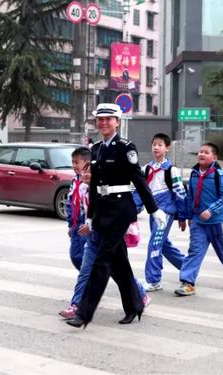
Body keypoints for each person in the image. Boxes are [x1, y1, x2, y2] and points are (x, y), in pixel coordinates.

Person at [66, 103, 166, 329]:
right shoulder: (97, 148)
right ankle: (135, 305)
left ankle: (83, 313)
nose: (103, 123)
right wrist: (90, 216)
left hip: (120, 211)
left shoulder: (125, 148)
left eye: (108, 119)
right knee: (119, 264)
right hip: (102, 211)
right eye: (100, 119)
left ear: (117, 122)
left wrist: (154, 209)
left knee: (101, 262)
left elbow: (139, 179)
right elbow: (93, 186)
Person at [59, 162, 150, 319]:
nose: (86, 174)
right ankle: (76, 306)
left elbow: (112, 215)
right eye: (84, 171)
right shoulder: (80, 189)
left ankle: (140, 295)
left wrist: (93, 224)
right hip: (94, 240)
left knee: (120, 273)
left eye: (90, 172)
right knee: (85, 272)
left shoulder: (106, 193)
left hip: (110, 241)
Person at [174, 142, 223, 296]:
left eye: (206, 152)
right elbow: (190, 197)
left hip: (218, 222)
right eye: (200, 152)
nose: (201, 154)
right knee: (194, 251)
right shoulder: (193, 174)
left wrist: (211, 210)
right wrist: (188, 216)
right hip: (198, 222)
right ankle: (188, 282)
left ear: (214, 157)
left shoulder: (220, 175)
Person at [136, 133, 187, 292]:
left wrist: (182, 216)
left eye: (160, 145)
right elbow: (139, 192)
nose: (156, 147)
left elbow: (181, 195)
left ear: (167, 148)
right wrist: (133, 209)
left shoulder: (172, 171)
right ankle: (189, 268)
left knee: (155, 243)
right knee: (163, 245)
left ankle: (153, 280)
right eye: (154, 144)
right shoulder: (146, 169)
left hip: (166, 212)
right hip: (154, 212)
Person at [65, 147, 91, 270]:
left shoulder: (90, 181)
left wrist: (91, 223)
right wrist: (70, 225)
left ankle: (88, 282)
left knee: (90, 258)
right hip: (76, 225)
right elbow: (70, 203)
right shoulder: (75, 181)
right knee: (75, 256)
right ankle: (88, 279)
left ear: (86, 163)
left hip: (88, 225)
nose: (74, 165)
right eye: (72, 162)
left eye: (77, 162)